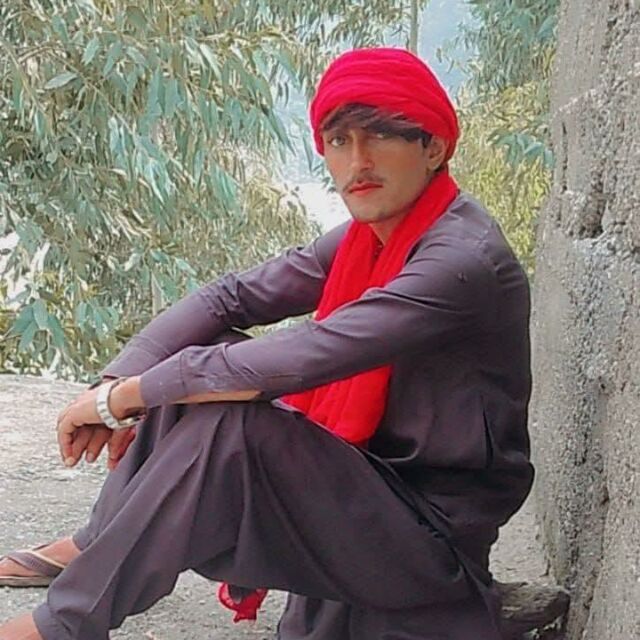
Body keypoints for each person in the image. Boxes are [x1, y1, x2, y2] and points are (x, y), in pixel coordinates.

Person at [0, 47, 534, 640]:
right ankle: (101, 540)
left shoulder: (460, 261)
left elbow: (309, 354)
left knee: (228, 421)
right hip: (370, 491)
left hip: (429, 539)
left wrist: (126, 398)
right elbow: (230, 298)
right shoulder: (372, 236)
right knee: (203, 361)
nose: (358, 161)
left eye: (382, 135)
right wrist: (115, 381)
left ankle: (62, 625)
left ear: (433, 147)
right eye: (339, 141)